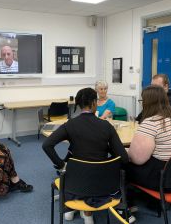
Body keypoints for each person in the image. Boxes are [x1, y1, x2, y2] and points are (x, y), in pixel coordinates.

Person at [42, 87, 129, 224]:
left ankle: (71, 208)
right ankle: (87, 212)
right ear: (94, 103)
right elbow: (124, 158)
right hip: (103, 186)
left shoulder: (70, 125)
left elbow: (46, 145)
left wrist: (62, 165)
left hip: (75, 183)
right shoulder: (106, 126)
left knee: (73, 159)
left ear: (78, 105)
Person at [127, 85, 171, 191]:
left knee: (120, 163)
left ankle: (126, 200)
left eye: (142, 100)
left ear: (147, 102)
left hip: (165, 181)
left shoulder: (151, 123)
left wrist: (125, 151)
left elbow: (137, 160)